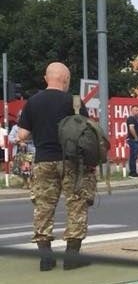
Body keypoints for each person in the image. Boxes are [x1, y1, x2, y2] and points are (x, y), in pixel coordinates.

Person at [16, 62, 94, 271]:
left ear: (46, 78)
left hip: (43, 161)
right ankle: (71, 257)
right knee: (76, 205)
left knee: (43, 208)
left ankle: (46, 258)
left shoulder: (33, 102)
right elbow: (87, 133)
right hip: (72, 163)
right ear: (66, 79)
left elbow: (22, 135)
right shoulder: (75, 102)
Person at [9, 110, 36, 189]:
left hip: (31, 149)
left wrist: (27, 141)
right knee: (22, 167)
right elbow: (10, 138)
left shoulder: (32, 127)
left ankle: (31, 182)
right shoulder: (15, 128)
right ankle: (25, 182)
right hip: (19, 150)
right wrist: (18, 141)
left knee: (31, 167)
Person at [125, 105, 138, 177]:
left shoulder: (134, 119)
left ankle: (133, 171)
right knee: (133, 156)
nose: (137, 112)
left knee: (134, 156)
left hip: (134, 140)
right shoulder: (131, 118)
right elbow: (131, 128)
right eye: (135, 110)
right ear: (131, 110)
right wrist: (136, 138)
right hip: (133, 140)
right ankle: (132, 172)